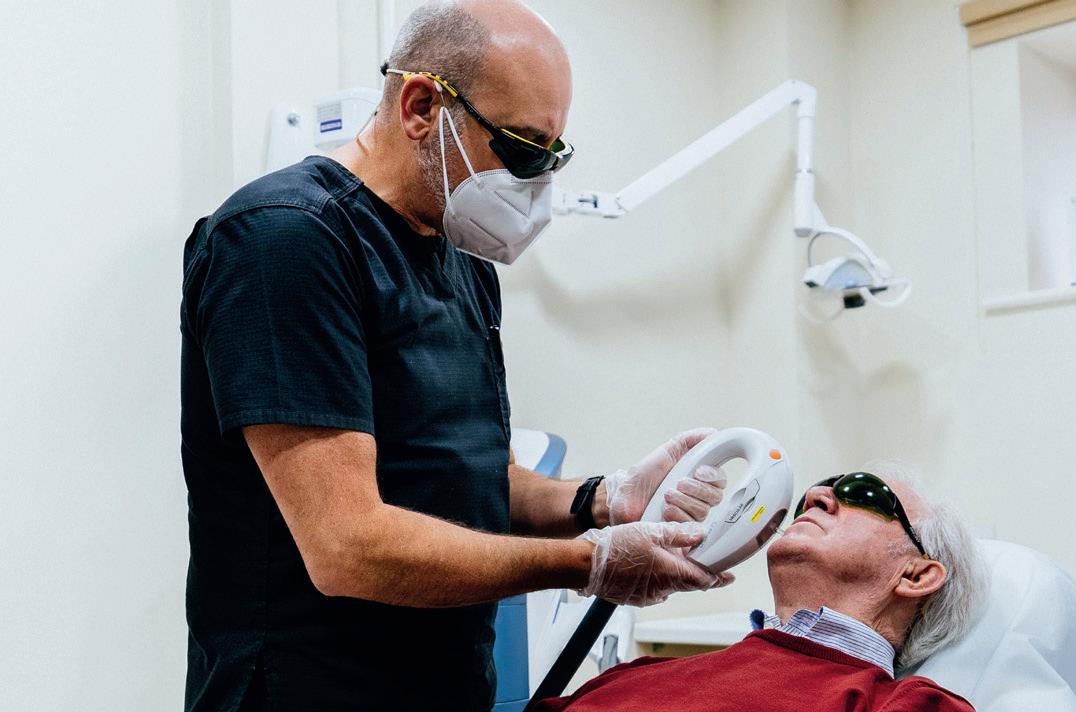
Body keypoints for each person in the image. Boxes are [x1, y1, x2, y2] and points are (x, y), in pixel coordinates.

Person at [178, 1, 730, 710]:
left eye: (552, 157)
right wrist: (589, 565)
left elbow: (474, 479)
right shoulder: (286, 240)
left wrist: (603, 499)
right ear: (421, 107)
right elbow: (348, 547)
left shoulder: (464, 264)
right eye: (523, 149)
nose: (536, 184)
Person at [531, 469, 983, 712]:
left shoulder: (907, 706)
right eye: (816, 492)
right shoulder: (635, 674)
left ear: (916, 576)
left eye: (863, 492)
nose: (816, 496)